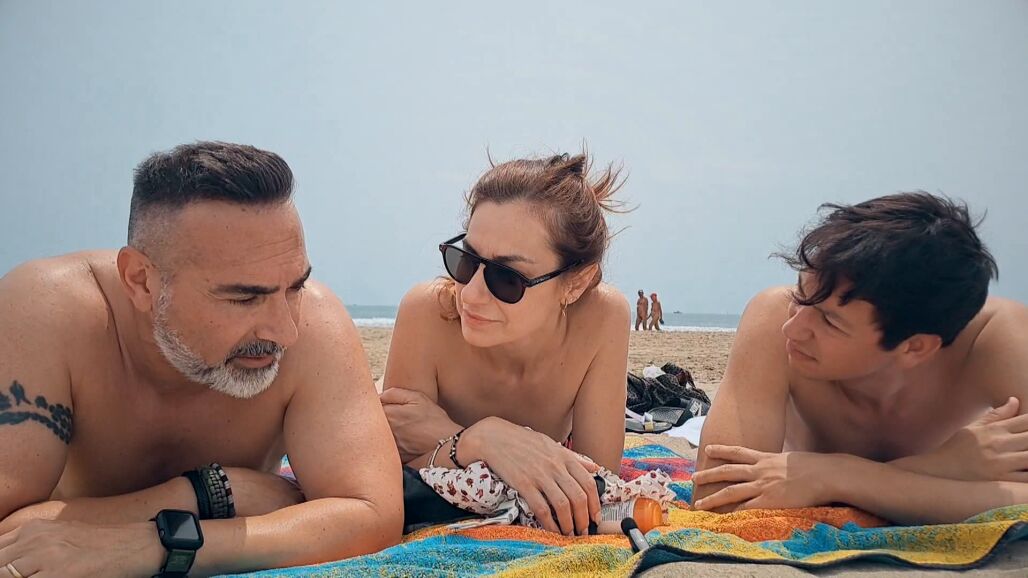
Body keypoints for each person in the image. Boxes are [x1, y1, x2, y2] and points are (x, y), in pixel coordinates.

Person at [0, 142, 402, 577]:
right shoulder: (47, 311)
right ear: (141, 281)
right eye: (244, 298)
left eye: (295, 287)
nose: (286, 331)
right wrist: (206, 495)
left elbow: (372, 515)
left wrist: (156, 542)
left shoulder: (316, 325)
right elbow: (11, 533)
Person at [692, 192, 1028, 525]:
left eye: (830, 321)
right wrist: (943, 468)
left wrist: (835, 475)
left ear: (914, 347)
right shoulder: (775, 315)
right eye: (800, 294)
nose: (792, 328)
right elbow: (718, 500)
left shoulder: (996, 339)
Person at [381, 153, 631, 537]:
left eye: (507, 278)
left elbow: (594, 483)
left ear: (576, 283)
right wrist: (484, 438)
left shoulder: (602, 319)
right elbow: (390, 465)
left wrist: (449, 436)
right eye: (466, 261)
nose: (471, 294)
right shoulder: (428, 313)